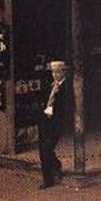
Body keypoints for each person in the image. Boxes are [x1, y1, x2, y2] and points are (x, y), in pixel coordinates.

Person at [38, 59, 71, 189]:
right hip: (46, 120)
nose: (55, 75)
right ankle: (56, 165)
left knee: (46, 149)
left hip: (57, 122)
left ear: (63, 72)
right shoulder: (51, 85)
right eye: (53, 72)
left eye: (58, 72)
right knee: (44, 149)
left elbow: (67, 106)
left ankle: (48, 180)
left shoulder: (67, 87)